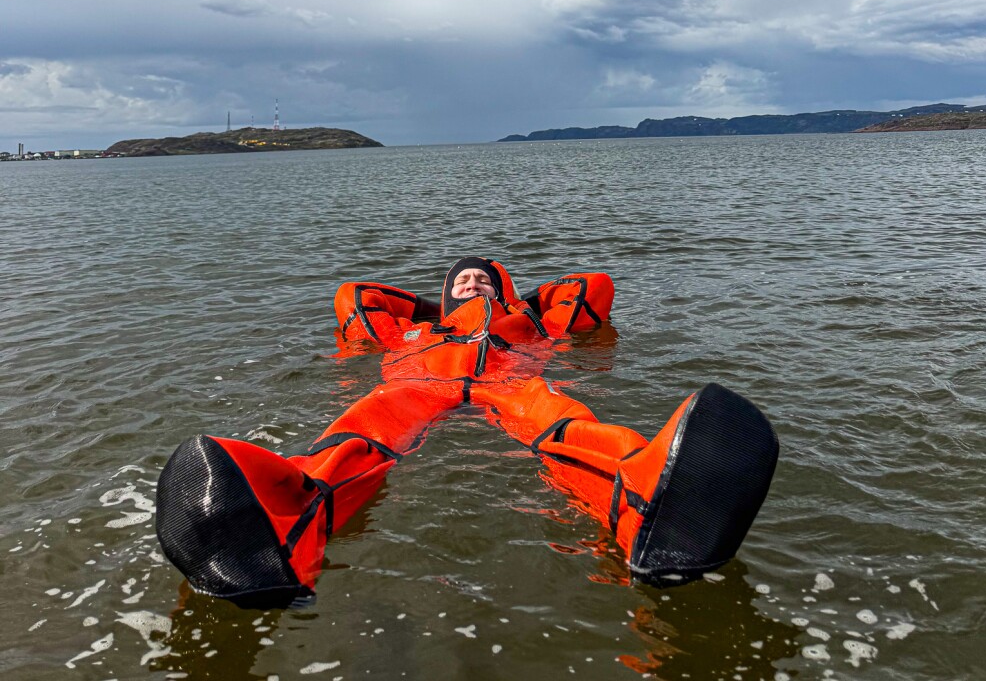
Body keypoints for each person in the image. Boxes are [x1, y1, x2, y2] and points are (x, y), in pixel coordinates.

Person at [156, 257, 778, 609]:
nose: (472, 284)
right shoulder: (411, 331)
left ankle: (643, 504)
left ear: (502, 287)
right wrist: (439, 312)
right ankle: (284, 528)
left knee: (564, 425)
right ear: (443, 293)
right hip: (415, 386)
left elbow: (592, 288)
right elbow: (354, 295)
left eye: (482, 279)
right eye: (462, 280)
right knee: (358, 434)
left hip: (510, 382)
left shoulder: (532, 324)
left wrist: (512, 302)